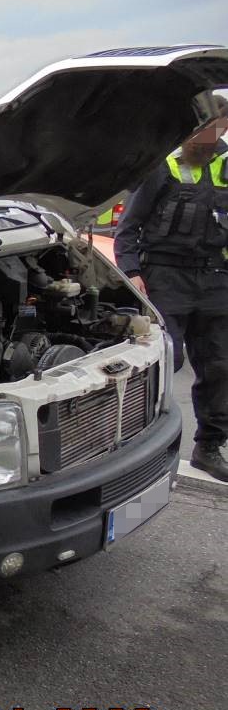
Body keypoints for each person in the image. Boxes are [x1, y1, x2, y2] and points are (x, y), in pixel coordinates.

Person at [114, 102, 228, 480]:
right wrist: (132, 271)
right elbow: (128, 227)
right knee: (165, 363)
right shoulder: (166, 164)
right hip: (166, 277)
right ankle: (142, 450)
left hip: (216, 278)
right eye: (207, 123)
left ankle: (208, 448)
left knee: (219, 366)